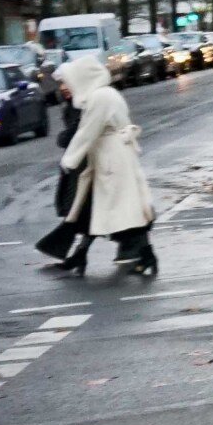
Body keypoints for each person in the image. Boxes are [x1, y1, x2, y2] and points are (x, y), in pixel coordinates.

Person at [54, 56, 155, 276]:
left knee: (118, 210)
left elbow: (87, 132)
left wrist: (69, 160)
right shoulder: (108, 93)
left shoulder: (99, 97)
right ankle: (142, 255)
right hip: (114, 155)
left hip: (111, 158)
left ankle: (138, 253)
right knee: (120, 209)